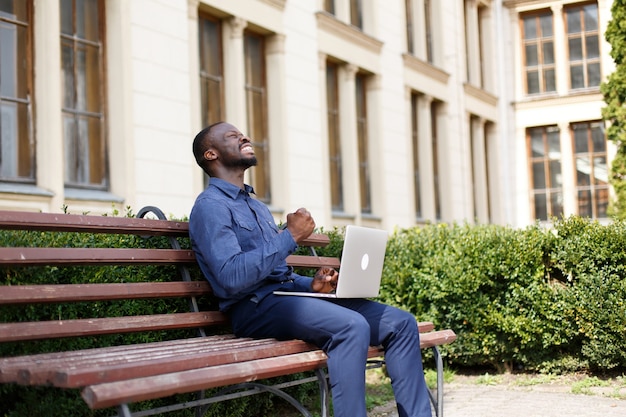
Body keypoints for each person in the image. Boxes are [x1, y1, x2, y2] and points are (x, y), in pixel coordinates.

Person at [189, 121, 432, 417]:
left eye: (241, 134)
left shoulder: (257, 207)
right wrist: (290, 236)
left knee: (401, 323)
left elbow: (277, 273)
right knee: (351, 327)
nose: (244, 137)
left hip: (286, 297)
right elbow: (230, 278)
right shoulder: (210, 206)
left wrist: (312, 286)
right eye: (232, 136)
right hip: (253, 307)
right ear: (211, 155)